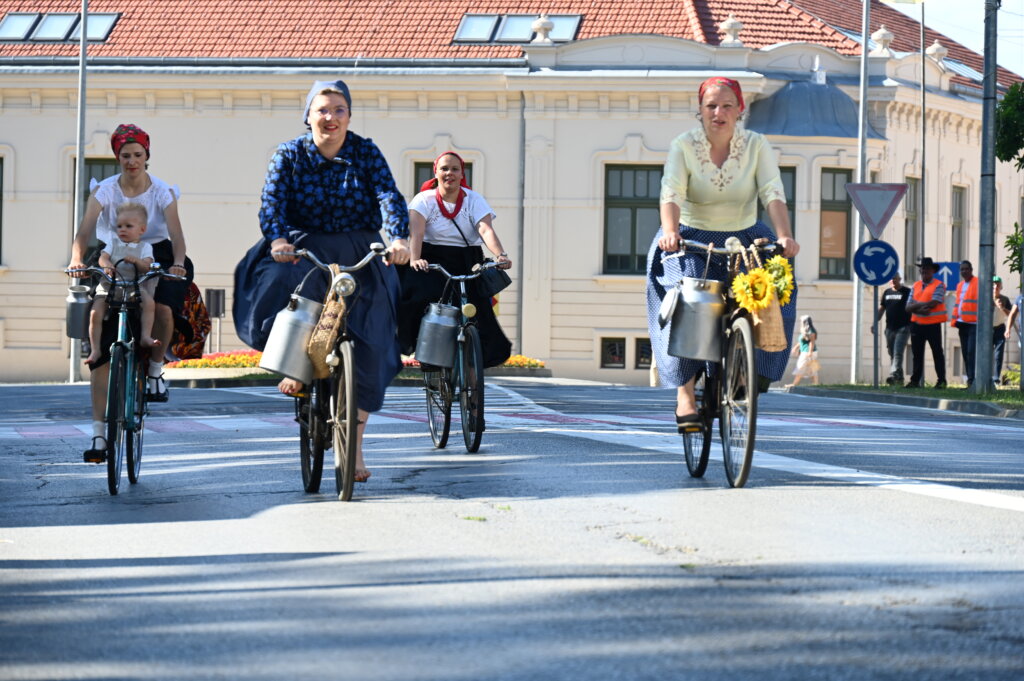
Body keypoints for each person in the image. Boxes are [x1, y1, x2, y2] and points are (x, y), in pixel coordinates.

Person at [233, 79, 410, 484]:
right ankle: (296, 363)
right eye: (323, 110)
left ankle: (357, 450)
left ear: (349, 116)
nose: (331, 118)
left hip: (358, 242)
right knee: (284, 280)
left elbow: (388, 195)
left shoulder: (365, 151)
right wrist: (277, 237)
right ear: (309, 115)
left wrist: (398, 237)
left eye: (339, 110)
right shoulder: (289, 154)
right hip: (302, 242)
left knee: (376, 322)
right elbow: (272, 201)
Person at [647, 77, 799, 431]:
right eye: (711, 105)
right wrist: (670, 232)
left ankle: (749, 374)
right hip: (691, 235)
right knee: (689, 302)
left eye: (727, 105)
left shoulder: (757, 145)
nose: (719, 113)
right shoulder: (683, 145)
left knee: (774, 291)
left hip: (745, 234)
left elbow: (772, 192)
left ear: (740, 110)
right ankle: (685, 394)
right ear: (699, 110)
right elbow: (671, 192)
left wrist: (785, 236)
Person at [67, 124, 193, 462]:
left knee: (164, 309)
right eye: (125, 155)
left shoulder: (162, 191)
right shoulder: (105, 190)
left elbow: (177, 236)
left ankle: (154, 371)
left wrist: (178, 262)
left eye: (138, 155)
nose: (132, 161)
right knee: (102, 352)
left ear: (147, 156)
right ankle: (98, 437)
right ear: (117, 157)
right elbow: (85, 230)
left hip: (156, 255)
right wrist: (78, 259)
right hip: (113, 256)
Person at [398, 151, 512, 369]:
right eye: (444, 169)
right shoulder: (423, 200)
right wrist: (415, 259)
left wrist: (501, 255)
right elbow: (417, 234)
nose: (449, 173)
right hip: (430, 258)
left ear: (462, 174)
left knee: (477, 306)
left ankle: (472, 359)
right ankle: (419, 347)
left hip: (465, 258)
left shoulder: (474, 199)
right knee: (421, 296)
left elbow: (485, 229)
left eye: (454, 169)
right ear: (436, 172)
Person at [86, 203, 159, 365]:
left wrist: (137, 261)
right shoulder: (113, 242)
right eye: (119, 226)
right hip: (110, 286)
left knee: (149, 303)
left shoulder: (145, 247)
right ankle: (95, 349)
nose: (122, 230)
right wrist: (106, 264)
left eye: (128, 226)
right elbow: (103, 257)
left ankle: (146, 336)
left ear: (142, 229)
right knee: (95, 312)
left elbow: (147, 266)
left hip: (134, 287)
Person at [905, 257, 947, 389]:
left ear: (933, 271)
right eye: (922, 269)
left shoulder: (939, 285)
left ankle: (941, 380)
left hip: (933, 325)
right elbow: (907, 307)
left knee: (937, 353)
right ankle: (915, 381)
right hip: (916, 325)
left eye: (927, 269)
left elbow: (935, 302)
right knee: (917, 354)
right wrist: (920, 309)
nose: (924, 271)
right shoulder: (915, 285)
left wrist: (915, 305)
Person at [874, 271, 911, 385]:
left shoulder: (907, 292)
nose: (893, 281)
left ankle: (893, 374)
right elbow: (881, 309)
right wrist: (874, 323)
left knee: (897, 352)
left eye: (895, 278)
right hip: (889, 328)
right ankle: (899, 378)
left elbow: (912, 307)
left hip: (903, 327)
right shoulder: (886, 292)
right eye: (891, 279)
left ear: (900, 279)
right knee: (892, 353)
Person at [950, 260, 978, 387]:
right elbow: (958, 303)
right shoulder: (960, 285)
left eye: (966, 269)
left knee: (971, 352)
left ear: (971, 270)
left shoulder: (978, 282)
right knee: (966, 352)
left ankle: (972, 379)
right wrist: (955, 320)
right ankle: (970, 379)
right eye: (962, 269)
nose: (964, 271)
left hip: (974, 323)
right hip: (961, 323)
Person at [787, 315, 819, 387]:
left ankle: (794, 384)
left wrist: (810, 352)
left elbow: (812, 342)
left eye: (801, 321)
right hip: (806, 352)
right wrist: (795, 347)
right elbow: (802, 341)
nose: (800, 322)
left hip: (808, 352)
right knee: (812, 368)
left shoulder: (811, 331)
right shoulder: (805, 331)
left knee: (801, 367)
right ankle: (816, 384)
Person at [992, 276, 1012, 383]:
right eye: (993, 284)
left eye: (997, 285)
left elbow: (1011, 314)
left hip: (1000, 328)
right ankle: (983, 376)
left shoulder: (1005, 299)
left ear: (1001, 287)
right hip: (987, 330)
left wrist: (1002, 308)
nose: (995, 287)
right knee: (985, 354)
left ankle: (996, 378)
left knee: (998, 354)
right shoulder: (985, 298)